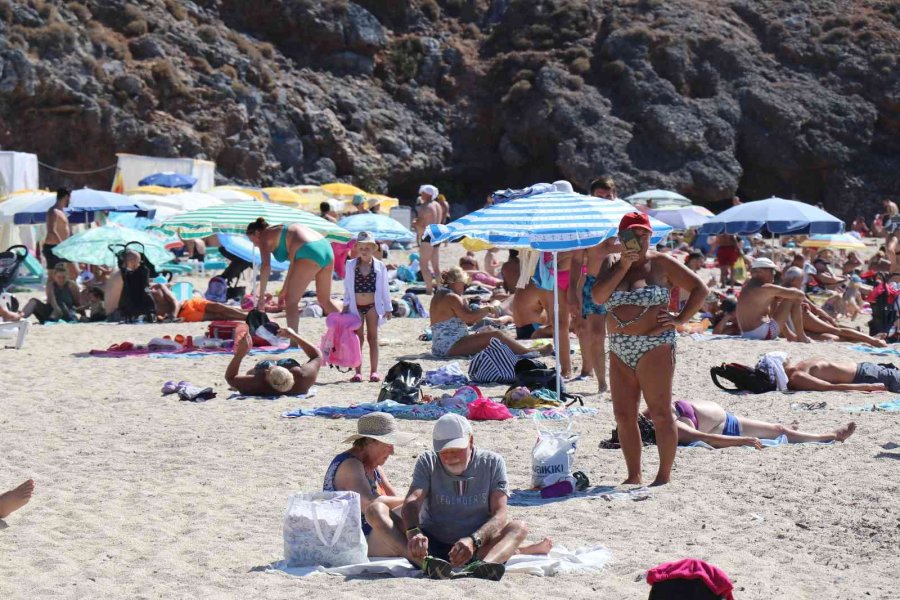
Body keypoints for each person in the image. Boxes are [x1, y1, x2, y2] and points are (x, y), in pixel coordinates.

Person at [591, 212, 707, 486]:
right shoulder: (611, 262)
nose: (640, 240)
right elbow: (598, 297)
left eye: (645, 234)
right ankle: (634, 474)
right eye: (633, 235)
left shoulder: (661, 263)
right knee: (623, 415)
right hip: (619, 346)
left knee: (660, 412)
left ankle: (663, 475)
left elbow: (700, 289)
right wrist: (623, 266)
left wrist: (680, 319)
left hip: (655, 344)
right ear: (621, 238)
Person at [402, 414, 539, 580]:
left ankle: (482, 566)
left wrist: (474, 541)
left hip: (478, 546)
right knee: (381, 513)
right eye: (444, 451)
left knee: (519, 527)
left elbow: (500, 514)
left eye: (456, 450)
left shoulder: (493, 462)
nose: (450, 457)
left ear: (471, 441)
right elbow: (412, 501)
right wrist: (414, 532)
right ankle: (425, 562)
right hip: (432, 543)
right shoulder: (427, 461)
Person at [323, 412, 416, 558]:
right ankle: (416, 556)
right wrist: (414, 501)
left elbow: (394, 499)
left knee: (419, 510)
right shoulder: (350, 465)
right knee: (415, 508)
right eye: (388, 444)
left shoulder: (374, 467)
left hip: (375, 533)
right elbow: (369, 503)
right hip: (353, 542)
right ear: (370, 442)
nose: (392, 451)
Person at [429, 267, 551, 358]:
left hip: (441, 346)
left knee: (490, 333)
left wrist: (479, 310)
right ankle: (528, 352)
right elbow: (470, 319)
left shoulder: (440, 294)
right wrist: (487, 309)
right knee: (496, 335)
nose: (464, 286)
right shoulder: (452, 297)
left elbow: (466, 320)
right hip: (451, 346)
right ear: (455, 282)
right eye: (463, 283)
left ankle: (523, 350)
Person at [246, 218, 337, 334]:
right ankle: (351, 329)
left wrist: (261, 297)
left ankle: (294, 341)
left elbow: (266, 266)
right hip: (326, 249)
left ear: (257, 233)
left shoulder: (264, 235)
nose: (255, 245)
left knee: (291, 303)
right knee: (325, 300)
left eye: (253, 241)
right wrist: (284, 290)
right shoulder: (280, 230)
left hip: (309, 251)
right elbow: (293, 265)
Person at [667, 399, 856, 449]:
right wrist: (742, 441)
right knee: (779, 431)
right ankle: (831, 436)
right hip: (725, 428)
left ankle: (785, 428)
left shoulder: (657, 410)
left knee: (778, 429)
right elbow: (706, 438)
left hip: (725, 418)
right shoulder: (672, 427)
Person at [781, 268, 886, 346]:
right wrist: (830, 319)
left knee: (832, 337)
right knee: (836, 331)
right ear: (794, 280)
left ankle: (866, 339)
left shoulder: (780, 290)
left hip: (786, 329)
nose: (803, 282)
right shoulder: (795, 291)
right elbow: (816, 309)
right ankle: (872, 340)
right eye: (801, 279)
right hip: (800, 318)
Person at [343, 232, 392, 382]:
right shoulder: (351, 265)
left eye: (367, 248)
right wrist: (345, 307)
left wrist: (388, 307)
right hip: (356, 306)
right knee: (358, 339)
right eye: (361, 248)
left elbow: (385, 288)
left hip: (372, 306)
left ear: (373, 248)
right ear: (357, 248)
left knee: (373, 337)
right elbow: (347, 288)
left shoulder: (379, 266)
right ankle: (357, 371)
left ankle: (374, 371)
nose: (364, 251)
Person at [225, 327, 321, 395]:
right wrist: (294, 336)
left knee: (257, 369)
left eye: (267, 371)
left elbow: (230, 378)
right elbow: (317, 356)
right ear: (289, 373)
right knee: (289, 366)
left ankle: (253, 371)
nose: (267, 369)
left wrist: (240, 353)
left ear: (267, 380)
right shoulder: (303, 379)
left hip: (260, 379)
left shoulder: (257, 383)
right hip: (292, 377)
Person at [735, 258, 810, 342]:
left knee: (776, 300)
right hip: (762, 333)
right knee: (794, 298)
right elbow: (800, 294)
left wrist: (778, 299)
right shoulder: (766, 288)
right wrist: (798, 302)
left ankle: (789, 335)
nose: (774, 274)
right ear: (760, 272)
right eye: (771, 271)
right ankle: (801, 336)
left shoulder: (747, 286)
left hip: (746, 333)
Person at [413, 184, 443, 294]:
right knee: (436, 266)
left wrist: (414, 224)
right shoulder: (438, 205)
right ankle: (440, 288)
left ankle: (429, 289)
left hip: (428, 235)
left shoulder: (425, 206)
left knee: (423, 264)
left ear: (427, 194)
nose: (421, 194)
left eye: (422, 193)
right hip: (438, 234)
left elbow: (420, 223)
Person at [43, 188, 71, 270]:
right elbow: (51, 230)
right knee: (72, 272)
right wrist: (62, 245)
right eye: (70, 198)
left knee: (69, 273)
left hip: (60, 246)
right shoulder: (53, 211)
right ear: (66, 197)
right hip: (54, 247)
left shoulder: (61, 212)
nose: (70, 201)